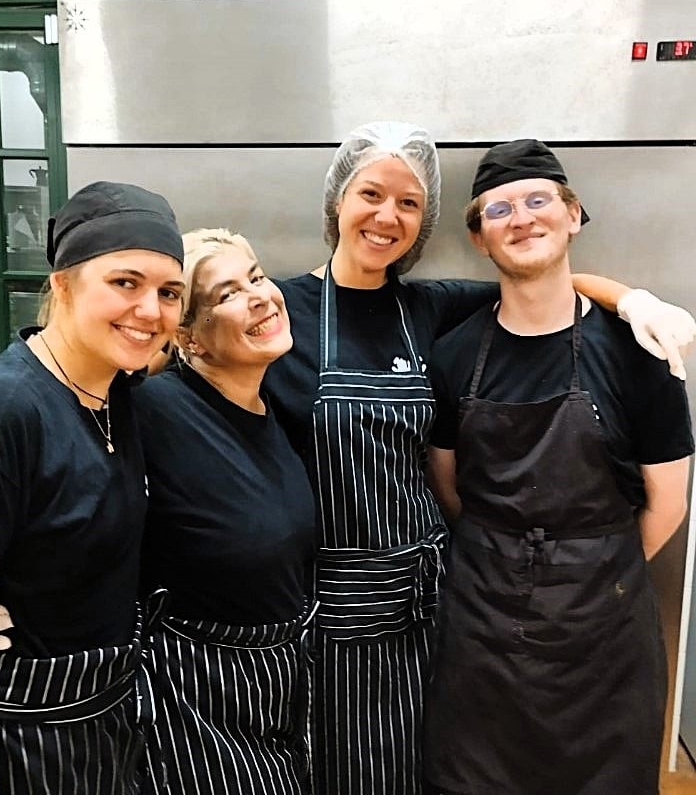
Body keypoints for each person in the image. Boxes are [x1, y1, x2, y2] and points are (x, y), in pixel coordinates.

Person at [262, 121, 696, 794]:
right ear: (336, 203)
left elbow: (544, 279)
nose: (387, 216)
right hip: (377, 611)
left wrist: (634, 299)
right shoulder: (286, 311)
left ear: (574, 213)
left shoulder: (434, 308)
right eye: (370, 193)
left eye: (409, 203)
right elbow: (450, 483)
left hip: (474, 610)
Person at [423, 139, 694, 795]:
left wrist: (593, 574)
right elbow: (448, 483)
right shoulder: (456, 353)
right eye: (500, 210)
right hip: (482, 630)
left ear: (573, 215)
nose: (522, 218)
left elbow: (669, 502)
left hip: (605, 635)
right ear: (480, 240)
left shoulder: (638, 351)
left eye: (539, 201)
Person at [0, 181, 186, 795]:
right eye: (125, 282)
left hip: (99, 728)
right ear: (62, 283)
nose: (150, 310)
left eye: (169, 293)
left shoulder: (116, 394)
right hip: (9, 742)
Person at [134, 229, 317, 795]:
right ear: (189, 336)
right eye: (228, 293)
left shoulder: (271, 409)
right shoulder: (153, 411)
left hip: (279, 688)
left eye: (257, 277)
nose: (260, 296)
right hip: (194, 702)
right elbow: (55, 488)